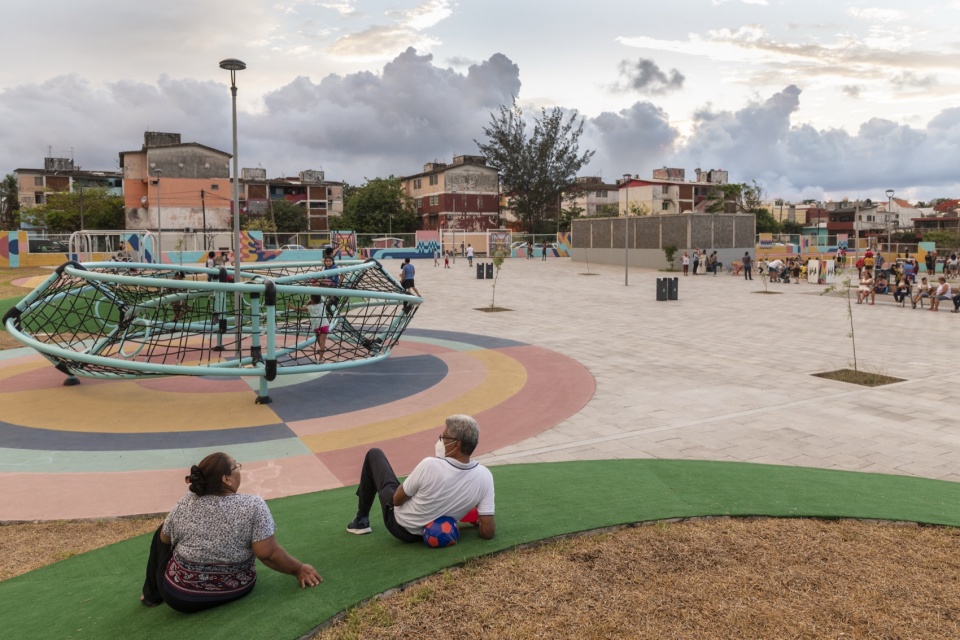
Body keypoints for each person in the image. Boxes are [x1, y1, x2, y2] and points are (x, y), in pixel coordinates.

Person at [141, 452, 321, 612]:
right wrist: (299, 569)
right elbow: (269, 554)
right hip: (235, 589)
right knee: (166, 529)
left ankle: (151, 596)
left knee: (162, 530)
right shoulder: (253, 505)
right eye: (236, 466)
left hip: (178, 596)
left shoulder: (186, 501)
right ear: (226, 479)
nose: (239, 470)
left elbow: (165, 538)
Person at [346, 415, 495, 543]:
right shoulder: (485, 475)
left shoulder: (430, 465)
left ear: (456, 444)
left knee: (374, 454)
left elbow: (396, 501)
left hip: (402, 528)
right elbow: (488, 532)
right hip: (436, 532)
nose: (441, 441)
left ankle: (361, 520)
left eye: (443, 437)